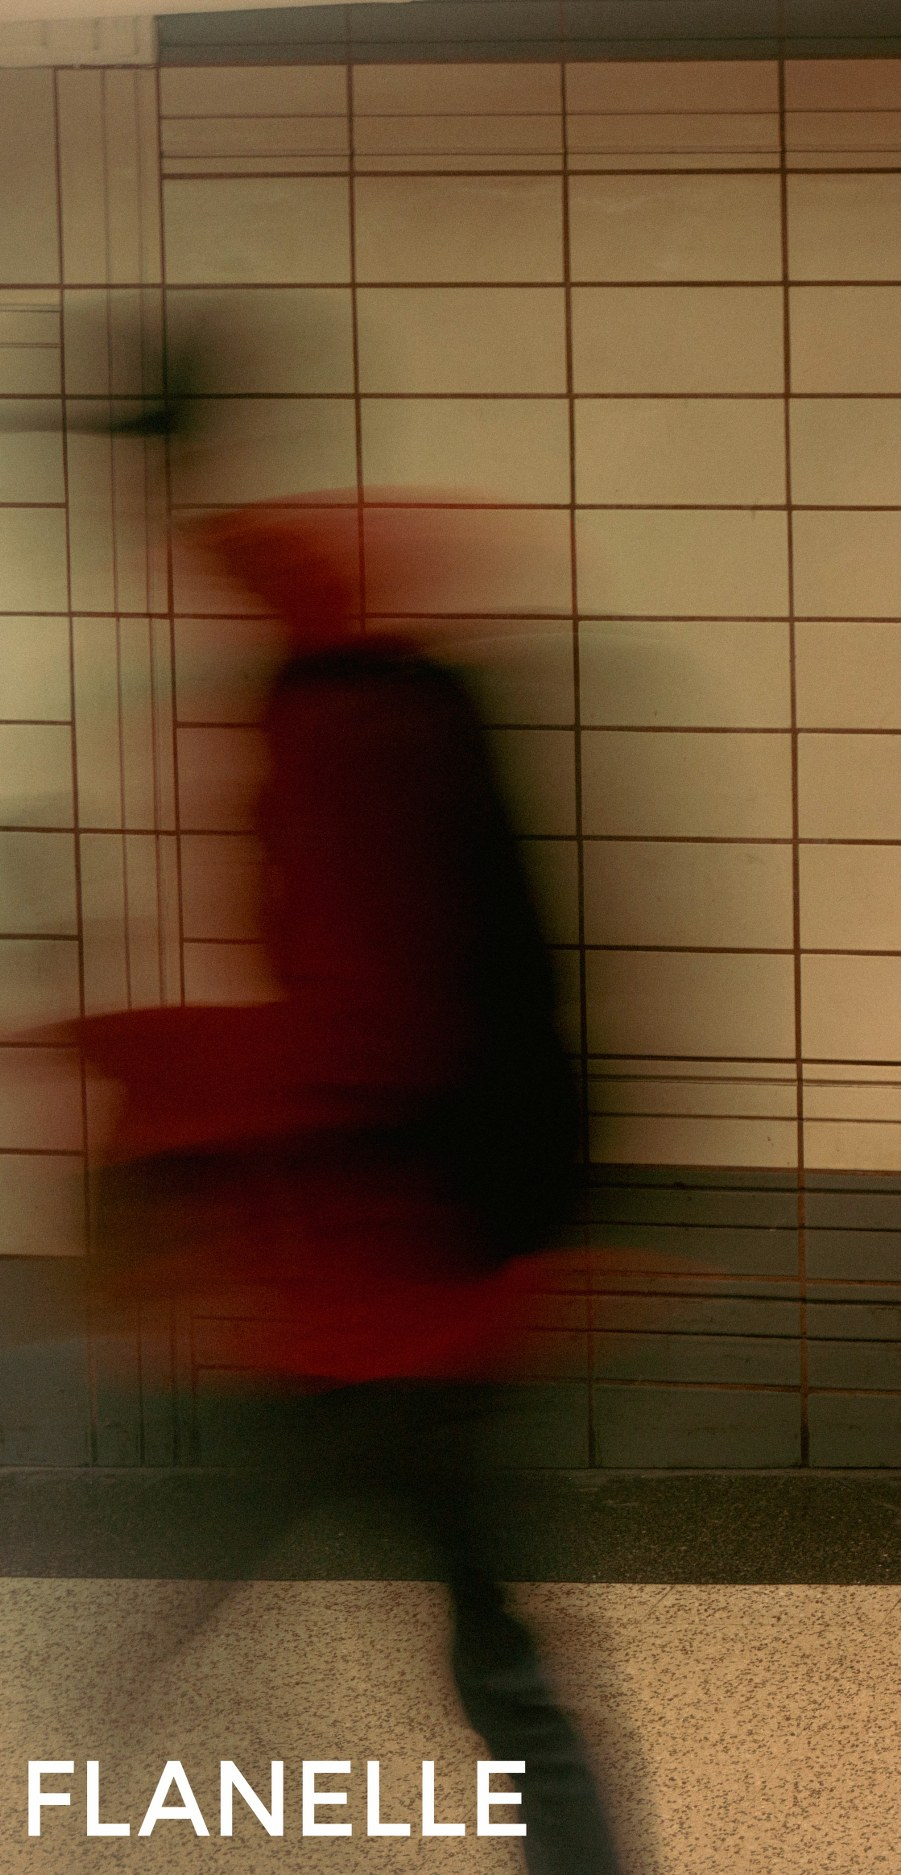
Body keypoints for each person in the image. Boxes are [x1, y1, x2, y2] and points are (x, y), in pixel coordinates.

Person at [68, 501, 623, 1875]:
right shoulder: (415, 730)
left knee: (177, 1599)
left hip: (369, 1293)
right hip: (429, 1289)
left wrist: (153, 1083)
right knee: (483, 1645)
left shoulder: (343, 747)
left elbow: (366, 1039)